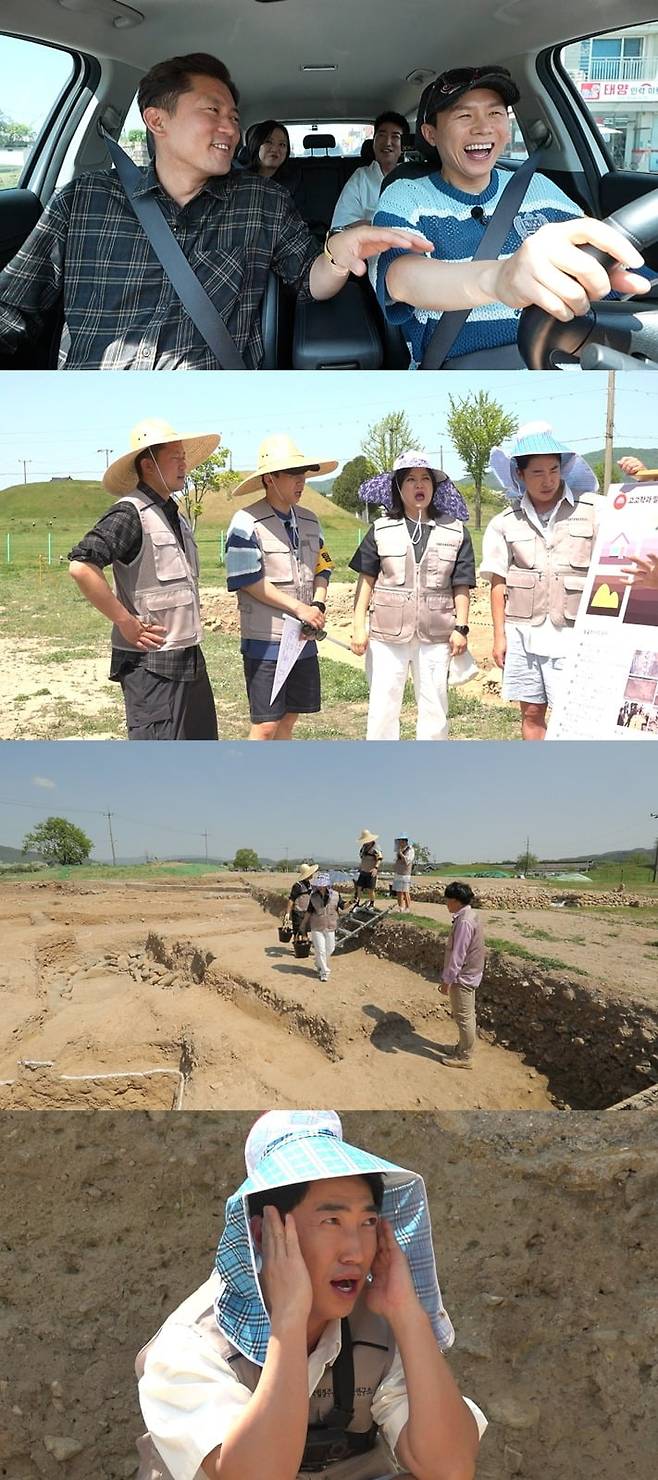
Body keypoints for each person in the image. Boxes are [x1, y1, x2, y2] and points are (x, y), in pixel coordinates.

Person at [0, 53, 433, 370]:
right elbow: (13, 310)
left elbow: (309, 282)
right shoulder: (82, 200)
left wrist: (339, 253)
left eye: (234, 116)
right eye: (213, 111)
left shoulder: (263, 203)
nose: (230, 127)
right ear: (157, 120)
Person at [135, 1109, 486, 1480]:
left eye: (367, 1222)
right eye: (331, 1221)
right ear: (262, 1234)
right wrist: (288, 1322)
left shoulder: (378, 1324)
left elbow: (450, 1467)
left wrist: (408, 1315)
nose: (354, 1251)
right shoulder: (193, 1345)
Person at [369, 65, 650, 368]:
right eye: (464, 116)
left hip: (565, 358)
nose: (483, 128)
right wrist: (500, 278)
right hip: (460, 373)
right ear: (431, 134)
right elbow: (400, 278)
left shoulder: (539, 187)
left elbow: (601, 253)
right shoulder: (406, 195)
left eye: (495, 114)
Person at [68, 418, 219, 741]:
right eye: (175, 457)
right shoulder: (129, 513)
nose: (184, 464)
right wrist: (125, 621)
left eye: (184, 457)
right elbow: (82, 566)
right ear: (149, 465)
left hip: (187, 653)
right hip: (150, 664)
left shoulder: (174, 513)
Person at [481, 422, 605, 740]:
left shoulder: (593, 510)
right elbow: (498, 581)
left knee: (573, 715)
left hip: (574, 635)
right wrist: (499, 636)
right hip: (523, 635)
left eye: (553, 470)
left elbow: (632, 520)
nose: (548, 480)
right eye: (537, 472)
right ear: (519, 475)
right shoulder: (504, 523)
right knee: (532, 714)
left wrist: (641, 479)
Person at [350, 453, 475, 740]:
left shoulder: (455, 531)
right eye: (410, 479)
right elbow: (366, 580)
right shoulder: (381, 529)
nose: (419, 485)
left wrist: (461, 628)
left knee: (435, 706)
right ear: (398, 487)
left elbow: (462, 585)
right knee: (383, 704)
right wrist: (359, 626)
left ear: (434, 486)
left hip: (437, 633)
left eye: (425, 479)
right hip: (386, 634)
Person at [226, 434, 337, 740]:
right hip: (266, 640)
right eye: (292, 476)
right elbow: (247, 580)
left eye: (303, 476)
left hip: (302, 640)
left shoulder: (311, 521)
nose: (301, 483)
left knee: (289, 719)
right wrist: (299, 608)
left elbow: (322, 567)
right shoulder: (245, 522)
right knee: (265, 725)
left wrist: (318, 605)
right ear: (270, 479)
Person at [438, 883, 486, 1070]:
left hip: (464, 976)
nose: (446, 904)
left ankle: (465, 1056)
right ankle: (461, 1048)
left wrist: (447, 980)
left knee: (464, 1016)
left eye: (448, 900)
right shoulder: (469, 915)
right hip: (470, 973)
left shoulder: (464, 921)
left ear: (456, 901)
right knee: (465, 1014)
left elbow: (458, 954)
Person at [331, 112, 408, 228]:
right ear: (373, 142)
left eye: (395, 136)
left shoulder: (412, 177)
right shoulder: (361, 177)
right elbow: (341, 227)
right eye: (382, 135)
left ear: (404, 145)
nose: (387, 143)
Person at [243, 118, 305, 212]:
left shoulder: (295, 181)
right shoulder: (240, 179)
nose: (275, 149)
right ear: (257, 144)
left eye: (282, 144)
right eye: (268, 142)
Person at [301, 873, 345, 982]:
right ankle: (324, 972)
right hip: (317, 927)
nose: (320, 887)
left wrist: (353, 902)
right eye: (319, 885)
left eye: (322, 885)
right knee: (320, 950)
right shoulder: (313, 897)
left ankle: (318, 963)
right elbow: (309, 912)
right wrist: (303, 924)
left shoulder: (336, 895)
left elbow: (343, 906)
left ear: (327, 885)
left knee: (330, 948)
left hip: (330, 926)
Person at [286, 862, 319, 939]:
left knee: (305, 932)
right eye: (311, 873)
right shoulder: (297, 886)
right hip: (298, 913)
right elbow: (291, 899)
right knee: (297, 933)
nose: (312, 874)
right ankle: (298, 948)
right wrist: (287, 913)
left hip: (306, 912)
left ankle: (303, 948)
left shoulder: (309, 884)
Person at [354, 830, 384, 908]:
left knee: (371, 890)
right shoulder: (363, 847)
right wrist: (361, 866)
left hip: (371, 872)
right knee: (359, 888)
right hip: (363, 871)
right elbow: (363, 858)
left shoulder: (376, 847)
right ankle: (357, 903)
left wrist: (375, 868)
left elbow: (379, 858)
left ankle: (372, 904)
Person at [392, 837, 415, 912]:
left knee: (405, 891)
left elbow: (407, 861)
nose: (399, 843)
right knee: (399, 891)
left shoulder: (410, 850)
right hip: (398, 873)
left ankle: (407, 908)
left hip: (405, 874)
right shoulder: (399, 850)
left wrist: (401, 854)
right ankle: (400, 907)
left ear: (405, 841)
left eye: (401, 841)